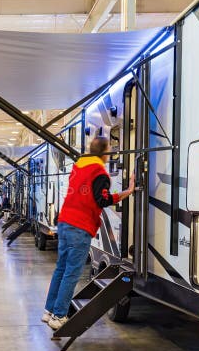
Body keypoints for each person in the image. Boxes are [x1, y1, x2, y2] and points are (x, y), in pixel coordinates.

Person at [43, 136, 137, 330]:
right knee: (71, 272)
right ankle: (59, 315)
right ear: (104, 153)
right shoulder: (99, 172)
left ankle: (48, 311)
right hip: (80, 226)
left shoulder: (78, 167)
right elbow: (101, 200)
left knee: (61, 269)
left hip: (64, 221)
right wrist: (126, 192)